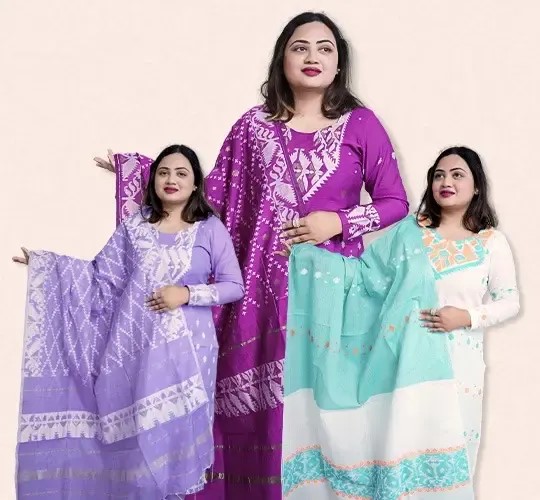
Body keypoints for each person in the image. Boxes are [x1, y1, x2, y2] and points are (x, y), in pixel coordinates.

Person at [94, 12, 409, 498]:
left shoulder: (362, 124)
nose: (312, 57)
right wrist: (143, 175)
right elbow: (212, 198)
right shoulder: (252, 127)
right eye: (300, 47)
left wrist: (339, 222)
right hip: (256, 301)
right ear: (282, 58)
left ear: (339, 63)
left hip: (330, 297)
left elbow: (395, 202)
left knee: (327, 418)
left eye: (325, 48)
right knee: (254, 422)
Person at [282, 146, 520, 499]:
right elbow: (363, 277)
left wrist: (468, 316)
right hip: (405, 371)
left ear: (476, 187)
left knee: (449, 465)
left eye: (457, 175)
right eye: (439, 175)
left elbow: (509, 302)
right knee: (401, 459)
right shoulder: (411, 232)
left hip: (461, 370)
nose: (446, 182)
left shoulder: (491, 242)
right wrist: (310, 260)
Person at [13, 145, 244, 499]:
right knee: (139, 450)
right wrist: (48, 266)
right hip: (137, 352)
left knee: (176, 444)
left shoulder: (210, 228)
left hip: (191, 354)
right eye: (163, 172)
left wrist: (186, 294)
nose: (171, 180)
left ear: (196, 183)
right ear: (153, 180)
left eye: (181, 173)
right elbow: (101, 278)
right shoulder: (136, 226)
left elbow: (234, 286)